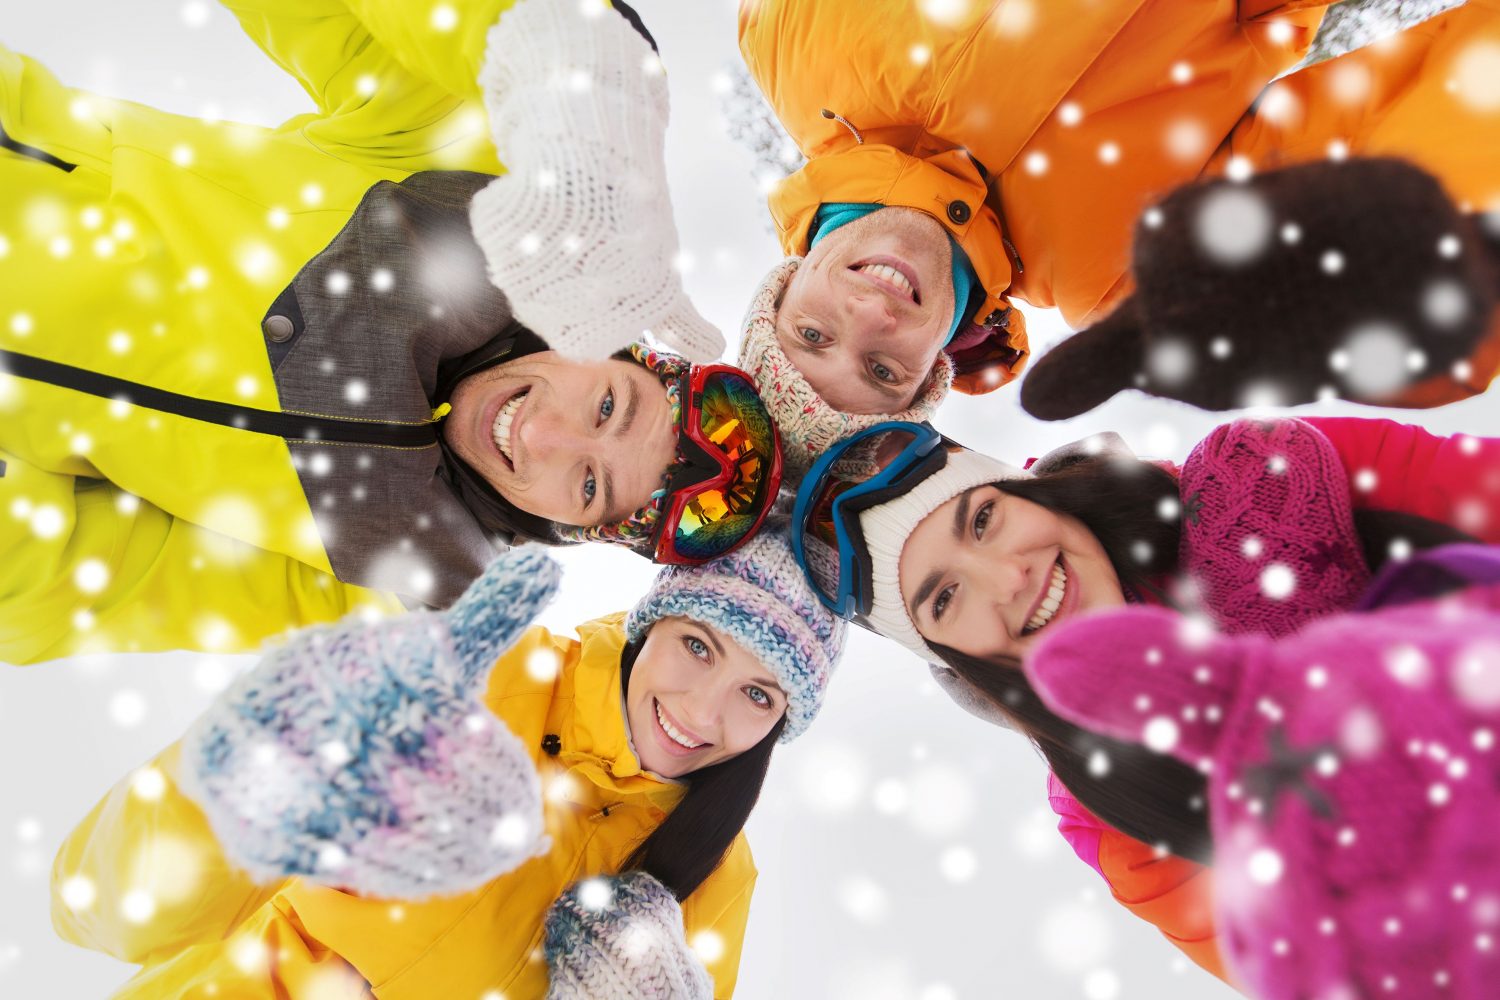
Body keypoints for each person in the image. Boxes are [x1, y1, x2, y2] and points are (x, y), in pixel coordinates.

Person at [0, 0, 779, 665]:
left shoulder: (374, 569)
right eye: (608, 407)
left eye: (586, 485)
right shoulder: (475, 192)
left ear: (571, 531)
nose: (541, 434)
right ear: (605, 347)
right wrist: (573, 64)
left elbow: (85, 579)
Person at [791, 414, 1498, 982]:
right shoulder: (1111, 814)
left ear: (1029, 492)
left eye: (983, 521)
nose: (1009, 580)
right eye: (945, 598)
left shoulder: (1262, 483)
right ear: (956, 663)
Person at [50, 525, 845, 998]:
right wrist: (239, 780)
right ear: (651, 625)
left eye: (760, 696)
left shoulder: (715, 873)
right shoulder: (490, 668)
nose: (704, 713)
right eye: (698, 647)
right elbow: (108, 904)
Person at [734, 0, 1500, 473]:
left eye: (811, 332)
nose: (871, 320)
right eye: (882, 369)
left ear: (784, 280)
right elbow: (1394, 134)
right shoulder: (1121, 271)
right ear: (934, 369)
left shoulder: (791, 37)